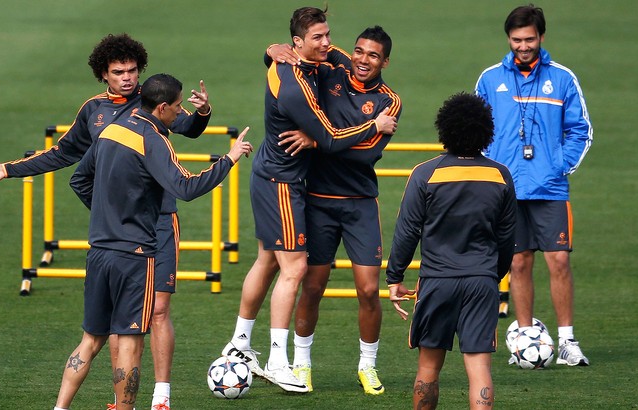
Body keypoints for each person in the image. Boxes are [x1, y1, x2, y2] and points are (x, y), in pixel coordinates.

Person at [0, 33, 212, 409]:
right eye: (118, 72)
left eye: (132, 71)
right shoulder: (93, 111)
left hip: (160, 222)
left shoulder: (152, 102)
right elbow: (62, 155)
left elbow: (187, 126)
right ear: (103, 75)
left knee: (159, 310)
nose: (127, 78)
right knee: (118, 326)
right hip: (120, 236)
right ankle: (120, 402)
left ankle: (161, 396)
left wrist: (204, 114)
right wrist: (9, 170)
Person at [220, 7, 397, 393]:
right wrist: (357, 129)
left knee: (269, 260)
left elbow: (363, 150)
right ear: (300, 43)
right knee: (296, 272)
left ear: (384, 60)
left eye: (327, 35)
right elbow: (332, 139)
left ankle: (240, 342)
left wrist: (272, 50)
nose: (327, 43)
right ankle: (280, 361)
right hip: (285, 181)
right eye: (318, 37)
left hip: (326, 190)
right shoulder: (300, 80)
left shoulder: (329, 64)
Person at [58, 73, 252, 410]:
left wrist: (111, 215)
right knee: (131, 342)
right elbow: (187, 187)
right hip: (135, 256)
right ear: (161, 108)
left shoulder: (111, 130)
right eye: (177, 108)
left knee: (90, 340)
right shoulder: (154, 139)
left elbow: (79, 180)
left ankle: (59, 408)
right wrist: (230, 158)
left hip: (99, 250)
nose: (179, 114)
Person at [265, 26, 401, 394]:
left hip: (359, 205)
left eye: (373, 55)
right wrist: (272, 49)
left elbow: (368, 154)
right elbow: (295, 55)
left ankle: (368, 366)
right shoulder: (332, 70)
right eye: (359, 51)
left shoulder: (390, 101)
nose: (362, 60)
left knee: (369, 290)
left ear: (385, 61)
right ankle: (301, 363)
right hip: (319, 201)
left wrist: (317, 141)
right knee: (312, 287)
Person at [474, 4, 592, 366]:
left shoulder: (563, 78)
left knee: (558, 261)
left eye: (529, 39)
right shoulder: (490, 79)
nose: (523, 46)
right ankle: (525, 340)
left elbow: (580, 130)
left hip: (550, 188)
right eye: (516, 40)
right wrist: (490, 172)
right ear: (508, 39)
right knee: (519, 263)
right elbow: (475, 129)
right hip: (506, 191)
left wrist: (559, 166)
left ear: (541, 36)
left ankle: (567, 341)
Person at [386, 92, 517, 409]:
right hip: (481, 281)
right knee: (480, 370)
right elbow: (507, 236)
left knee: (429, 367)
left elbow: (407, 230)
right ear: (485, 130)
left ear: (444, 129)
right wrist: (491, 274)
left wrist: (395, 277)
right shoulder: (500, 175)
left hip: (437, 282)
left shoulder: (426, 173)